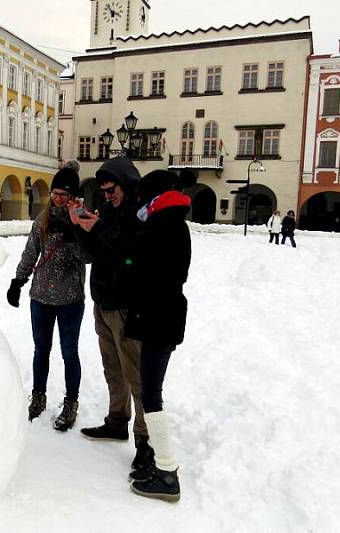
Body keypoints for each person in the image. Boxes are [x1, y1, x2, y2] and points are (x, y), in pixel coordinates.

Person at [66, 157, 155, 481]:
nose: (106, 195)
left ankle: (146, 441)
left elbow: (131, 258)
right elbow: (94, 254)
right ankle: (117, 421)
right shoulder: (111, 213)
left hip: (127, 307)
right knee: (112, 368)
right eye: (102, 190)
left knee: (136, 375)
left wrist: (99, 227)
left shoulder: (141, 214)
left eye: (111, 189)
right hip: (103, 304)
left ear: (126, 183)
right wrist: (81, 226)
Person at [127, 169, 195, 503]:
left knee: (151, 394)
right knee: (151, 390)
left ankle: (167, 474)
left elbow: (141, 270)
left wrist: (129, 261)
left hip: (158, 318)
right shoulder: (174, 224)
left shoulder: (161, 226)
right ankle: (159, 463)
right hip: (164, 316)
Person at [7, 163, 90, 432]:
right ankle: (39, 396)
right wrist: (18, 281)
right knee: (41, 350)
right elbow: (31, 253)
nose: (58, 198)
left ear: (74, 197)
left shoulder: (83, 218)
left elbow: (90, 256)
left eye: (64, 194)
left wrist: (77, 229)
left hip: (70, 299)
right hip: (41, 297)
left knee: (69, 352)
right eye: (55, 193)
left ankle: (71, 402)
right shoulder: (41, 220)